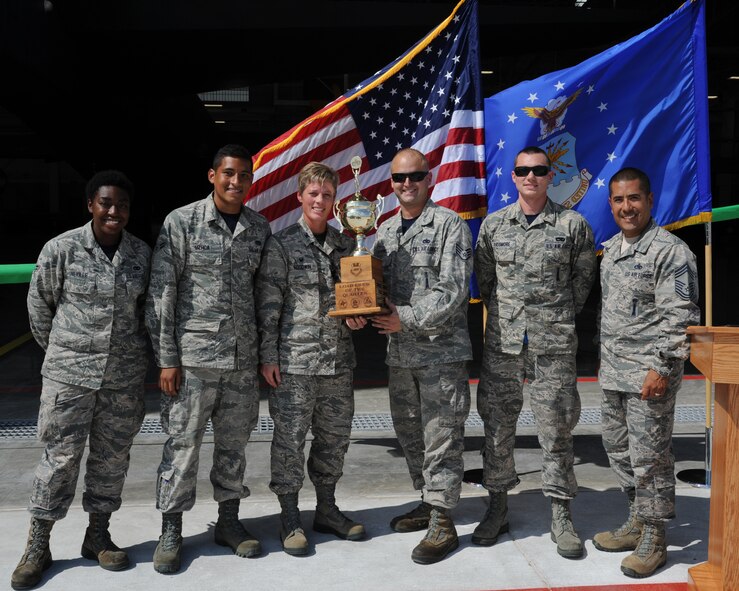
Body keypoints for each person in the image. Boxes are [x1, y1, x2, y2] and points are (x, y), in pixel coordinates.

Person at [12, 171, 151, 590]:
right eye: (106, 203)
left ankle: (98, 536)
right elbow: (40, 307)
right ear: (90, 204)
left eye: (122, 205)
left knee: (111, 462)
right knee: (59, 461)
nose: (115, 211)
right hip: (69, 378)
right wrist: (64, 352)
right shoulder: (62, 249)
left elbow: (150, 314)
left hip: (121, 379)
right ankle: (38, 546)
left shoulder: (141, 255)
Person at [145, 144, 271, 574]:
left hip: (241, 361)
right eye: (229, 174)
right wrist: (167, 359)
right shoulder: (181, 222)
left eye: (244, 176)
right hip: (193, 361)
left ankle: (229, 523)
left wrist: (262, 355)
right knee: (182, 447)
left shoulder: (258, 228)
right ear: (212, 175)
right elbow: (163, 293)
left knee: (234, 447)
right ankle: (172, 528)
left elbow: (265, 297)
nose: (236, 183)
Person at [348, 148, 473, 565]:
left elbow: (454, 291)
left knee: (441, 437)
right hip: (400, 356)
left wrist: (407, 317)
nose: (406, 184)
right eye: (399, 179)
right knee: (410, 435)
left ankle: (443, 520)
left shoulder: (449, 225)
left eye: (414, 177)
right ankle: (427, 499)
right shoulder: (383, 231)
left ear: (429, 179)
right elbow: (370, 282)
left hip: (440, 355)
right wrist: (357, 311)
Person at [473, 146, 596, 558]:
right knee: (497, 429)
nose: (531, 177)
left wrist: (551, 318)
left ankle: (561, 515)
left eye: (539, 170)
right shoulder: (493, 226)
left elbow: (581, 285)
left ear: (549, 175)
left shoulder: (573, 224)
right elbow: (486, 282)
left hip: (553, 346)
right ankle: (498, 506)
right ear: (513, 176)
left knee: (557, 430)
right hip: (504, 346)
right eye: (523, 170)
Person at [593, 167, 699, 578]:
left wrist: (661, 366)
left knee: (650, 458)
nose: (626, 207)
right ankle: (637, 518)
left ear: (650, 201)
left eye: (634, 198)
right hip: (615, 373)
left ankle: (655, 537)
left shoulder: (671, 252)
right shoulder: (613, 251)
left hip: (650, 376)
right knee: (617, 448)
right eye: (618, 200)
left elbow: (681, 316)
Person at [255, 161, 365, 556]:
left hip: (338, 361)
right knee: (289, 442)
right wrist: (268, 356)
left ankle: (327, 509)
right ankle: (289, 516)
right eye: (313, 193)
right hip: (295, 362)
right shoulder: (281, 244)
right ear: (300, 196)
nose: (320, 200)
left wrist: (359, 319)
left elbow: (358, 298)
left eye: (327, 194)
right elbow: (269, 305)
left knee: (334, 440)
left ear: (336, 202)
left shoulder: (347, 245)